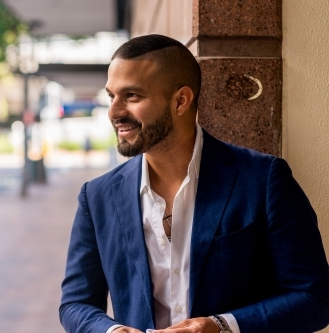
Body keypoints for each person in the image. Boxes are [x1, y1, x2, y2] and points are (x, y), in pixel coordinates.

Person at [59, 34, 329, 333]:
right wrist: (109, 331)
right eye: (112, 96)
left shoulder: (263, 180)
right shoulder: (97, 196)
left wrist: (222, 327)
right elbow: (75, 304)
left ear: (180, 101)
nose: (114, 112)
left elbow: (314, 298)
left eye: (132, 96)